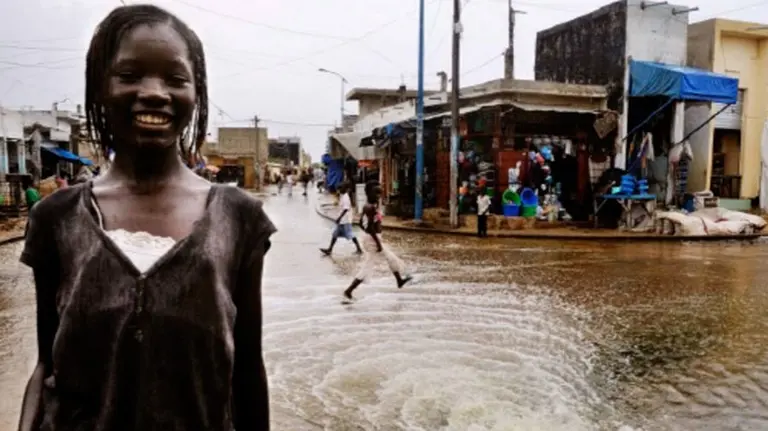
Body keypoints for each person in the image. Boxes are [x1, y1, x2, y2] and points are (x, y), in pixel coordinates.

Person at [17, 5, 276, 431]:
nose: (154, 92)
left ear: (197, 94)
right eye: (130, 75)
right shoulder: (55, 219)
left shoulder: (239, 218)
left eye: (175, 79)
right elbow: (47, 363)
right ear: (101, 88)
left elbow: (247, 371)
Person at [343, 182, 412, 301]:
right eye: (376, 193)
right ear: (369, 193)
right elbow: (369, 227)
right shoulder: (370, 208)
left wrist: (371, 234)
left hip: (372, 237)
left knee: (391, 258)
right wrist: (378, 243)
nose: (379, 196)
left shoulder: (370, 206)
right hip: (372, 240)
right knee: (368, 266)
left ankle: (399, 280)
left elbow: (361, 224)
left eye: (380, 193)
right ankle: (349, 291)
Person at [320, 183, 362, 256]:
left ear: (344, 189)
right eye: (338, 189)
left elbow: (346, 209)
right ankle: (329, 249)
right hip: (342, 220)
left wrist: (339, 218)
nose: (338, 191)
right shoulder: (342, 196)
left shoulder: (346, 197)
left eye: (340, 189)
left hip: (345, 220)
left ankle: (359, 249)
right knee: (335, 234)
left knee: (350, 235)